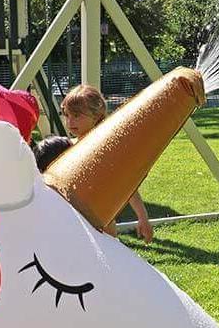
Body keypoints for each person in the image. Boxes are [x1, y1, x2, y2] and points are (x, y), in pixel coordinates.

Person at [55, 84, 154, 243]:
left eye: (77, 115)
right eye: (66, 115)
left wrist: (142, 217)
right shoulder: (67, 147)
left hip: (102, 224)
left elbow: (126, 184)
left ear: (97, 115)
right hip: (73, 224)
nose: (70, 121)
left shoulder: (106, 148)